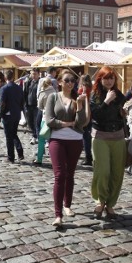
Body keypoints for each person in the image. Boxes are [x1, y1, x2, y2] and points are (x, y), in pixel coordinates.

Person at [45, 69, 90, 226]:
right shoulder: (53, 97)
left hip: (75, 140)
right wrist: (66, 124)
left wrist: (79, 105)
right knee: (60, 175)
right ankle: (58, 215)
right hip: (57, 139)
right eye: (67, 80)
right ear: (59, 82)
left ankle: (67, 206)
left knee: (70, 174)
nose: (70, 83)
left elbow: (82, 122)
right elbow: (49, 120)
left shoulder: (77, 98)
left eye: (72, 80)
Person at [90, 66, 127, 220]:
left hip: (118, 136)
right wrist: (106, 101)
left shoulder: (119, 95)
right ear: (100, 79)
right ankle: (100, 200)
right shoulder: (95, 95)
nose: (109, 81)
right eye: (106, 78)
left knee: (117, 173)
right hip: (100, 136)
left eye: (111, 78)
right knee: (102, 170)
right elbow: (96, 115)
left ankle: (111, 203)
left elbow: (122, 114)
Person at [0, 70, 25, 163]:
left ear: (5, 78)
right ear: (13, 77)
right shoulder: (19, 88)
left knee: (9, 137)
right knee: (14, 134)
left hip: (8, 114)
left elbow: (2, 103)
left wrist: (1, 114)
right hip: (16, 114)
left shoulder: (4, 88)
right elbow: (22, 102)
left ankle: (11, 157)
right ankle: (20, 152)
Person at [35, 77, 56, 165]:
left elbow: (39, 106)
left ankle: (39, 159)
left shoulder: (42, 93)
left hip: (45, 118)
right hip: (54, 118)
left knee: (41, 139)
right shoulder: (56, 93)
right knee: (53, 140)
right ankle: (55, 159)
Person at [79, 74, 93, 167]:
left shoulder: (83, 89)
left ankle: (88, 157)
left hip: (84, 113)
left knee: (85, 137)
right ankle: (89, 156)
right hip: (91, 114)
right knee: (88, 136)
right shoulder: (91, 88)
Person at [24, 69, 40, 144]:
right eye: (32, 74)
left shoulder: (41, 82)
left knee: (36, 121)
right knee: (29, 121)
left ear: (38, 74)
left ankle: (35, 136)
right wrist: (24, 104)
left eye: (35, 74)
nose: (33, 75)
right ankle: (34, 134)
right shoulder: (28, 82)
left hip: (37, 106)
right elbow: (25, 93)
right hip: (29, 105)